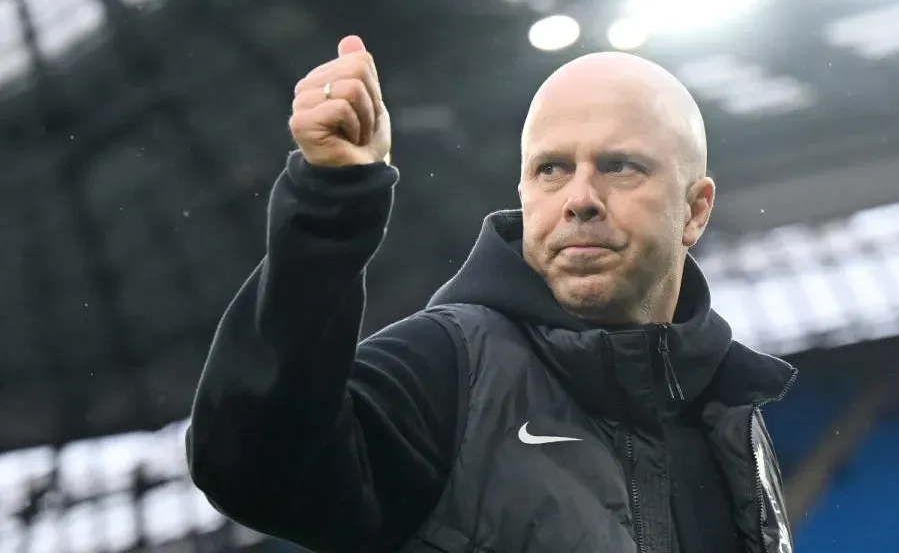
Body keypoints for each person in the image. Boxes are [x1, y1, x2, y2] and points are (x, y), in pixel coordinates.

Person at [186, 34, 798, 553]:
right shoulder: (449, 371)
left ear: (695, 211)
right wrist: (327, 209)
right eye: (551, 168)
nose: (580, 197)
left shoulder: (730, 416)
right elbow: (250, 463)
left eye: (619, 166)